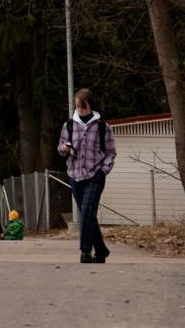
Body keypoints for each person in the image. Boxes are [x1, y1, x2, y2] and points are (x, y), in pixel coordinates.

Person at [58, 88, 117, 263]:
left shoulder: (102, 127)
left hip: (95, 175)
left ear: (90, 105)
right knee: (88, 214)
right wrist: (65, 148)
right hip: (75, 175)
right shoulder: (68, 125)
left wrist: (103, 171)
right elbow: (60, 148)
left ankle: (85, 251)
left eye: (83, 106)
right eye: (77, 106)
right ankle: (101, 250)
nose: (80, 110)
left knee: (87, 212)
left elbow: (111, 152)